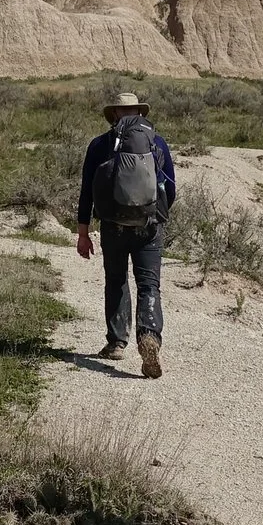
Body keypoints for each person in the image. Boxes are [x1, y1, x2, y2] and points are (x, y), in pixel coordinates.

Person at [73, 91, 176, 379]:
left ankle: (117, 342)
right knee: (149, 285)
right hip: (149, 226)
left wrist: (83, 233)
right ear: (140, 114)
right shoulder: (158, 143)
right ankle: (150, 337)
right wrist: (155, 216)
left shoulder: (99, 145)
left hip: (113, 225)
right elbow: (170, 189)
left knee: (116, 280)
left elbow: (87, 192)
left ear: (115, 114)